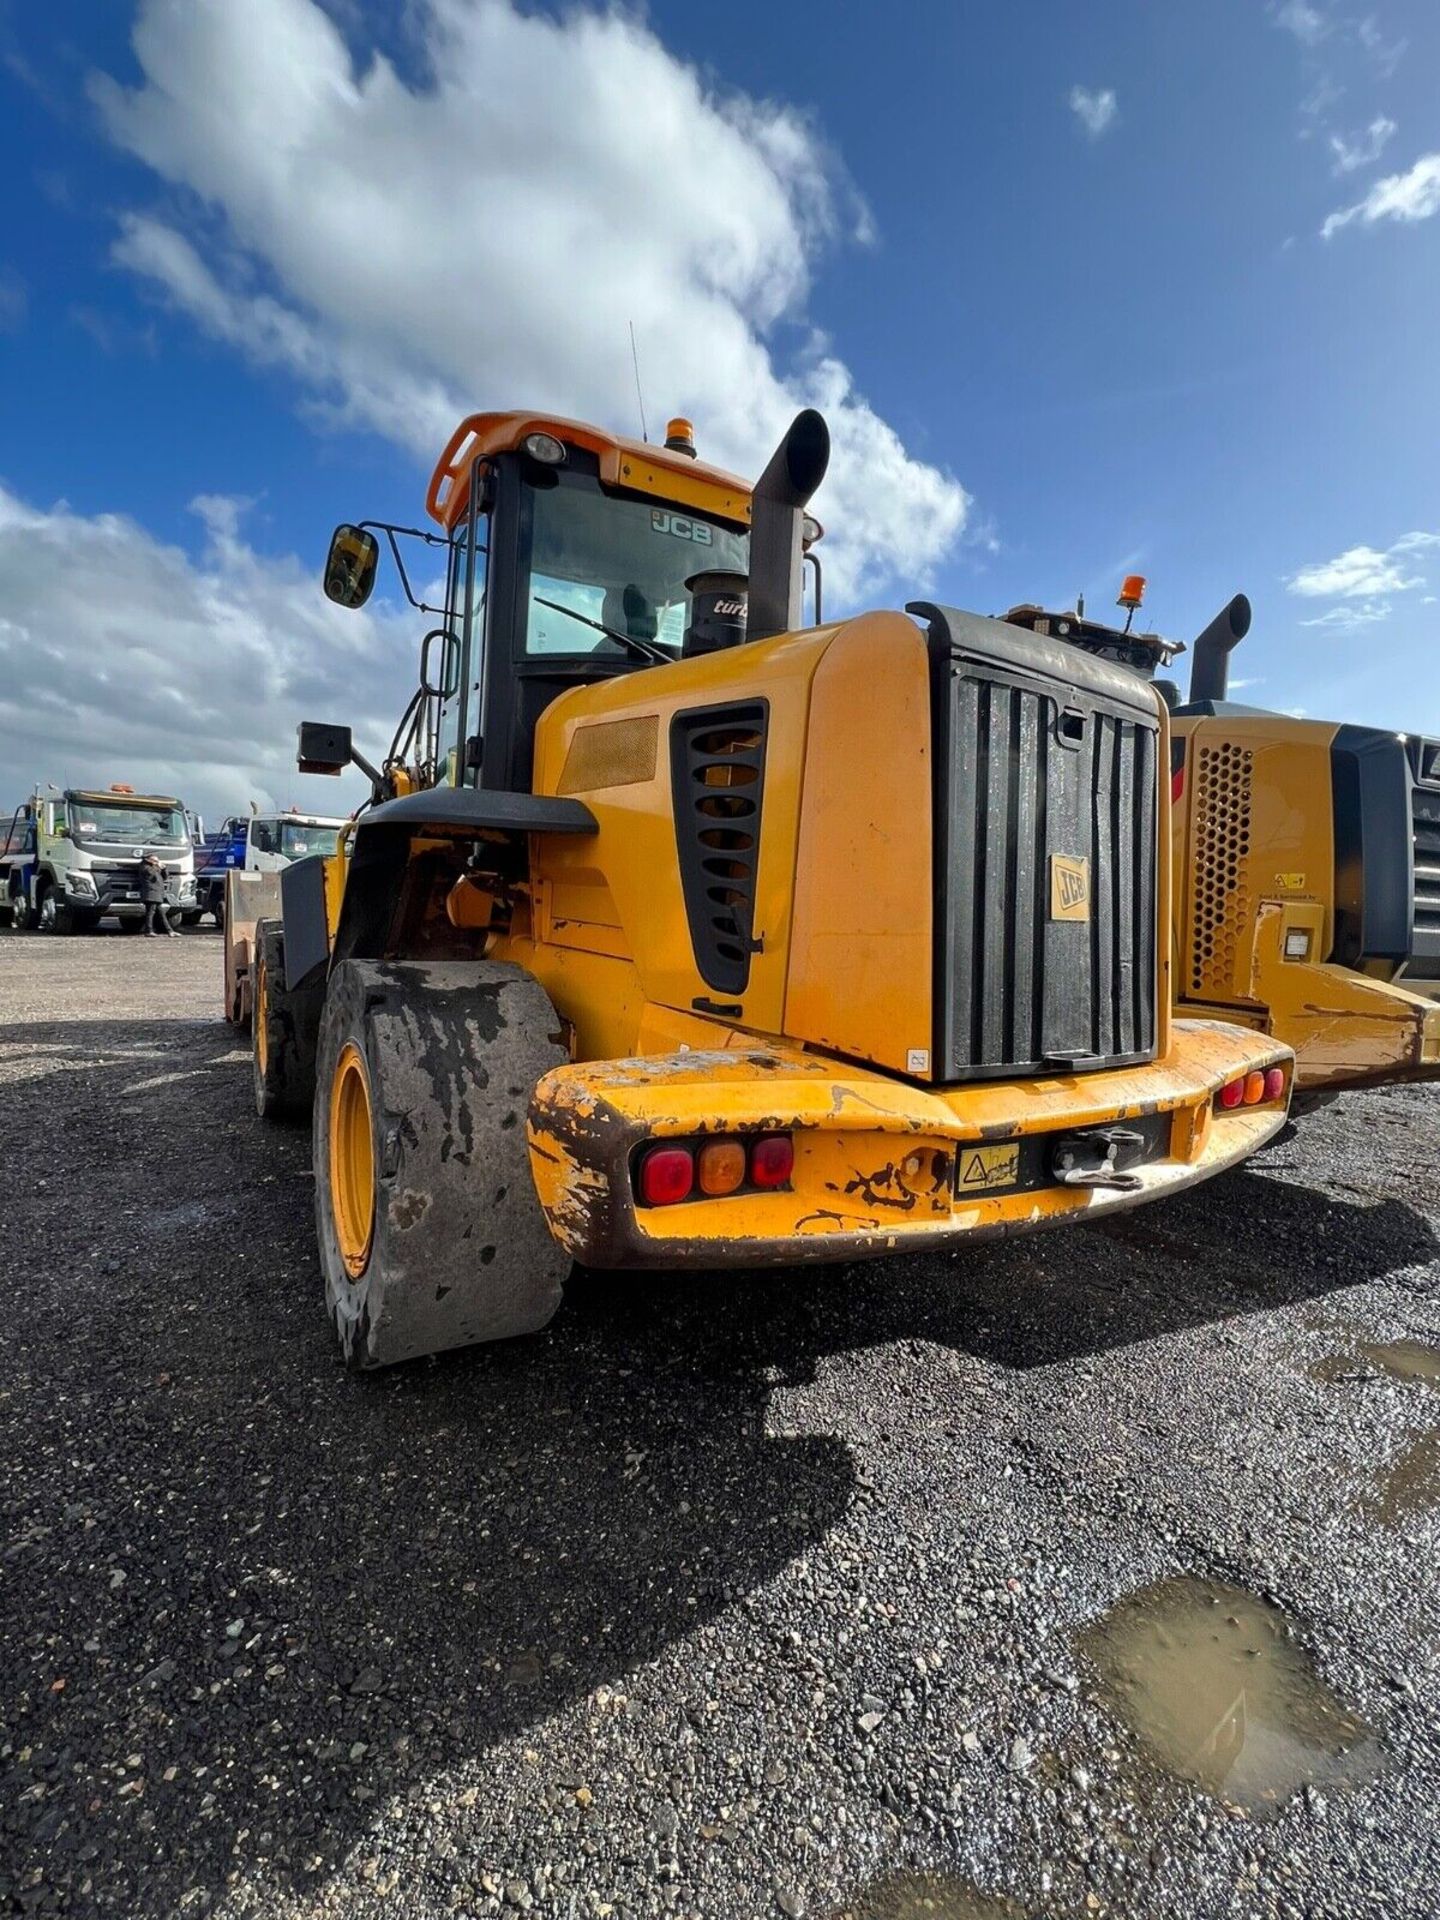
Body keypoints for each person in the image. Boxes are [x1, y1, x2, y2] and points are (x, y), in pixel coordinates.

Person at [138, 853, 179, 937]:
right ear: (148, 860)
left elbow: (164, 877)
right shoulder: (145, 867)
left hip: (157, 893)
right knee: (150, 912)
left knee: (161, 914)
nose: (157, 862)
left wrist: (164, 869)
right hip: (150, 893)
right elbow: (151, 875)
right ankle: (149, 930)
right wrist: (157, 866)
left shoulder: (154, 868)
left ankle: (170, 931)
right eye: (155, 860)